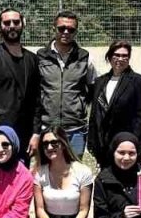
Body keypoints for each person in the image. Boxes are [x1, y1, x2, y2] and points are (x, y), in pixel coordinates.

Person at [23, 128, 95, 218]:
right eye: (45, 144)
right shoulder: (40, 172)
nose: (50, 147)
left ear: (63, 144)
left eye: (54, 143)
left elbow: (83, 210)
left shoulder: (82, 171)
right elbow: (40, 208)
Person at [0, 8, 41, 162]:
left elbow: (37, 100)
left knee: (19, 178)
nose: (12, 26)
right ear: (0, 27)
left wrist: (36, 133)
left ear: (23, 24)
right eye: (6, 23)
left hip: (24, 134)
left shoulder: (32, 60)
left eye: (16, 22)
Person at [36, 10, 98, 157]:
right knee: (47, 172)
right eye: (61, 28)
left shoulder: (84, 58)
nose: (65, 32)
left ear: (76, 31)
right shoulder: (40, 57)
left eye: (71, 29)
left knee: (74, 171)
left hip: (75, 128)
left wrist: (78, 106)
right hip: (47, 127)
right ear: (54, 28)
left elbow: (93, 89)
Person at [89, 40, 141, 169]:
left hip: (126, 146)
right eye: (116, 55)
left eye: (124, 56)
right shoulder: (100, 82)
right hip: (103, 144)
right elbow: (95, 113)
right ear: (109, 56)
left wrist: (133, 142)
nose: (120, 59)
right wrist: (93, 141)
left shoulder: (139, 82)